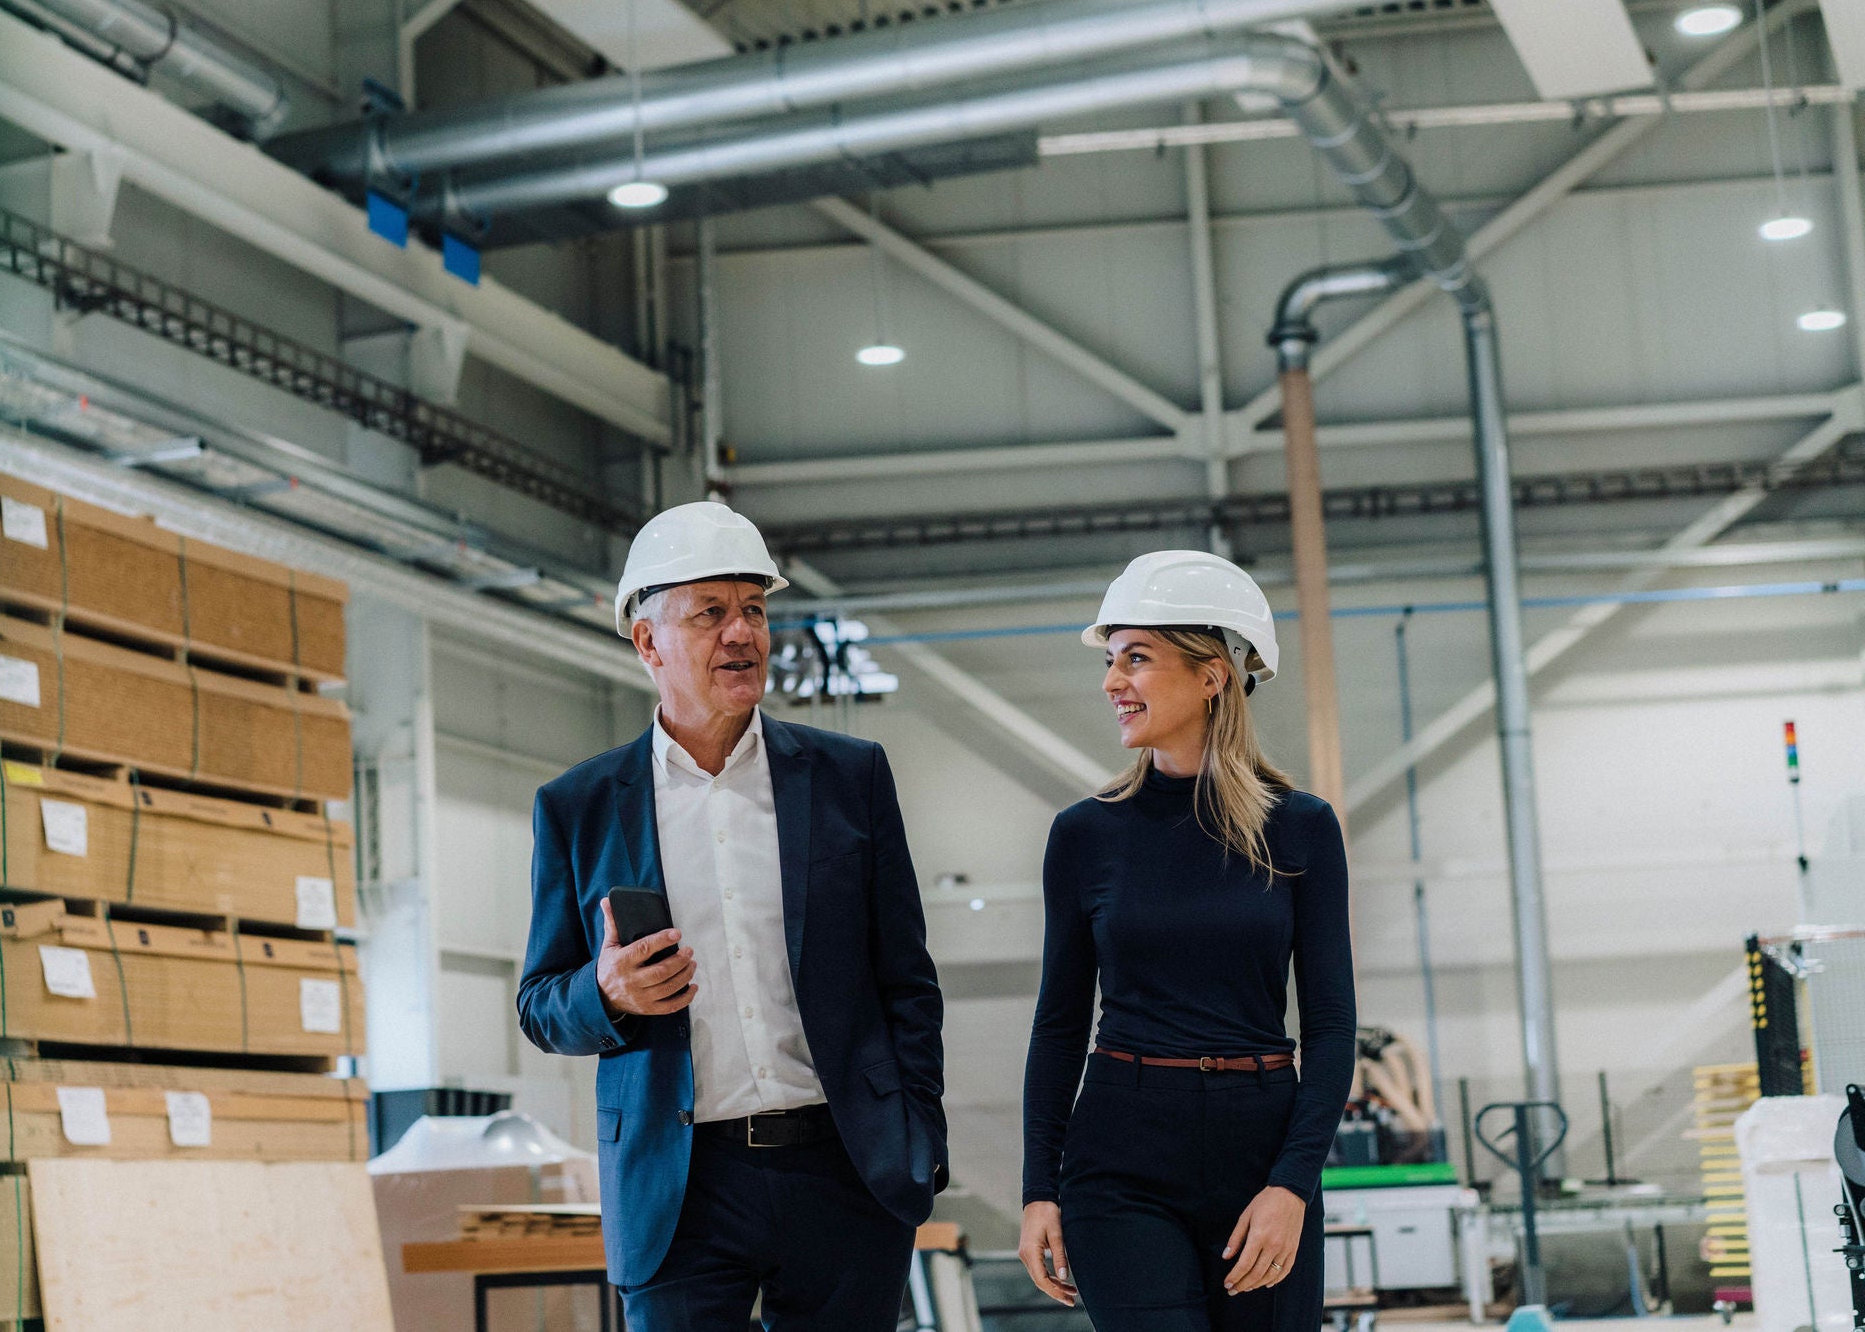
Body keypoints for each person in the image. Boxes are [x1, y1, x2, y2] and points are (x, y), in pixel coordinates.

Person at [517, 500, 948, 1332]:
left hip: (844, 1169)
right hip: (679, 1184)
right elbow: (540, 1003)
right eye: (710, 613)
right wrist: (605, 993)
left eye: (754, 608)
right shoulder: (579, 806)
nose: (742, 633)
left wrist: (915, 1137)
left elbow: (907, 980)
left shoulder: (849, 777)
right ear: (648, 643)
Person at [1018, 550, 1356, 1332]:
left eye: (1137, 657)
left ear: (1213, 674)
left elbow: (1332, 1026)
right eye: (1110, 660)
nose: (1112, 682)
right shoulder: (1084, 835)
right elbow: (1059, 1026)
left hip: (1261, 1147)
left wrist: (1292, 1185)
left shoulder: (1301, 827)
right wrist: (1040, 1187)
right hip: (1120, 1155)